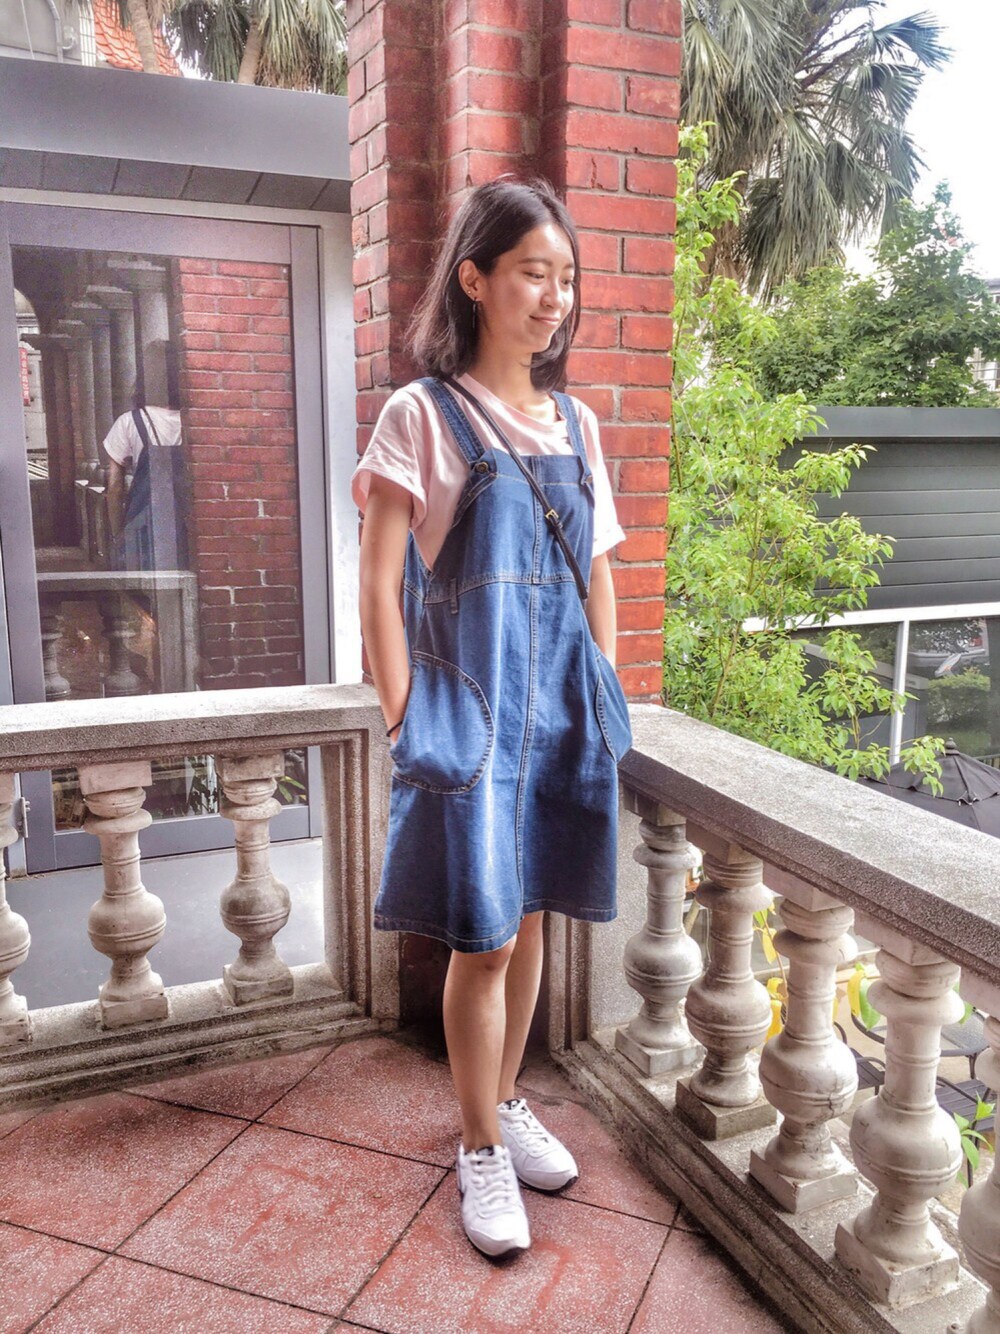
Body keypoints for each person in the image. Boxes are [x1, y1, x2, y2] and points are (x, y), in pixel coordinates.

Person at [353, 178, 632, 1258]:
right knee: (485, 935)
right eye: (532, 273)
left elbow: (598, 570)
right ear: (474, 278)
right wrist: (403, 720)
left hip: (560, 715)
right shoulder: (422, 414)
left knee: (537, 919)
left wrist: (600, 690)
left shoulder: (579, 423)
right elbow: (379, 584)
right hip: (470, 719)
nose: (555, 297)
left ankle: (506, 1101)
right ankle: (477, 1146)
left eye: (566, 277)